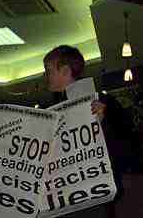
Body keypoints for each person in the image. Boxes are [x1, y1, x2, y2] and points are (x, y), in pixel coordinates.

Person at [42, 45, 134, 218]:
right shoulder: (49, 111)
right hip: (61, 195)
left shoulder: (104, 103)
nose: (45, 75)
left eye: (48, 69)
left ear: (65, 70)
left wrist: (103, 123)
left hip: (94, 195)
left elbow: (126, 145)